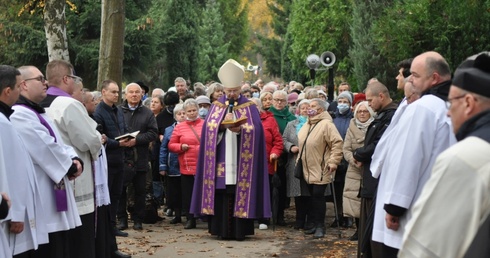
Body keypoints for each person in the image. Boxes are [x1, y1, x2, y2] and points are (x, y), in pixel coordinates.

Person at [398, 52, 490, 258]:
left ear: (468, 103)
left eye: (451, 102)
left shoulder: (466, 157)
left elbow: (427, 248)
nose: (448, 112)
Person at [370, 51, 456, 257]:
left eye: (415, 75)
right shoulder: (452, 106)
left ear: (434, 78)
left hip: (409, 214)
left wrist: (394, 206)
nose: (410, 79)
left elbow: (407, 159)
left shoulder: (423, 108)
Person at [190, 59, 271, 240]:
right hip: (220, 158)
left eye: (235, 90)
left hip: (242, 160)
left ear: (240, 88)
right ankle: (220, 229)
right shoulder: (217, 106)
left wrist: (242, 129)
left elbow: (257, 131)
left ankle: (240, 231)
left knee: (239, 192)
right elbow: (207, 129)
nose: (232, 94)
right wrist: (219, 126)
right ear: (224, 90)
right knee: (222, 193)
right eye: (228, 91)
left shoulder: (249, 107)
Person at [11, 65, 82, 258]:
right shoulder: (19, 113)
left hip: (54, 185)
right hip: (42, 192)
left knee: (61, 244)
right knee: (49, 247)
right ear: (24, 85)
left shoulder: (38, 112)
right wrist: (69, 166)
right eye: (40, 79)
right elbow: (45, 147)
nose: (46, 83)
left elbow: (58, 142)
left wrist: (74, 158)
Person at [40, 60, 103, 258]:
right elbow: (89, 140)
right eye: (74, 78)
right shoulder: (68, 104)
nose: (76, 83)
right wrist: (99, 142)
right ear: (66, 79)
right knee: (79, 238)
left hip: (49, 177)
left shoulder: (37, 105)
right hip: (76, 178)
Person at [0, 65, 49, 257]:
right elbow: (10, 170)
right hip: (7, 211)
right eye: (18, 87)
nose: (21, 91)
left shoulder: (6, 118)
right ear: (7, 91)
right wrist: (17, 214)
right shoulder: (3, 124)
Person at [353, 81, 398, 258]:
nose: (368, 104)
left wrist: (359, 153)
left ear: (381, 96)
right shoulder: (382, 115)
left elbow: (380, 144)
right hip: (370, 180)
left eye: (370, 100)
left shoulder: (391, 115)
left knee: (374, 230)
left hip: (378, 181)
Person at [298, 98, 343, 238]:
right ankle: (313, 224)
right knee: (311, 196)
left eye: (313, 106)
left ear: (321, 110)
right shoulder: (307, 123)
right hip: (307, 167)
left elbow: (337, 143)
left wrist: (334, 161)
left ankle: (320, 226)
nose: (309, 109)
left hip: (321, 167)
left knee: (318, 196)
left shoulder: (326, 124)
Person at [117, 83, 158, 231]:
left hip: (140, 157)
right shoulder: (118, 111)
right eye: (131, 92)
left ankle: (138, 219)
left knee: (140, 190)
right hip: (122, 157)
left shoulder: (147, 113)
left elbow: (153, 133)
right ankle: (121, 218)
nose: (134, 95)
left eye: (137, 92)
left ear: (142, 95)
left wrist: (137, 140)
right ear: (125, 94)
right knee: (121, 189)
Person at [93, 80, 130, 238]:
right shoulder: (98, 112)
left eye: (118, 92)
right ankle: (105, 226)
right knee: (106, 195)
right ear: (103, 92)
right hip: (106, 160)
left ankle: (112, 225)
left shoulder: (119, 110)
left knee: (116, 193)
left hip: (119, 158)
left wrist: (129, 136)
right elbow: (100, 137)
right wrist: (117, 143)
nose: (117, 95)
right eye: (113, 92)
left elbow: (123, 128)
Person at [168, 99, 204, 229]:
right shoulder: (179, 127)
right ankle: (190, 218)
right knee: (188, 194)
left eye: (194, 110)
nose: (192, 113)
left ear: (198, 110)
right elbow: (171, 145)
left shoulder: (205, 124)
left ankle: (204, 216)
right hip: (186, 165)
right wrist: (180, 146)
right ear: (185, 112)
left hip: (203, 165)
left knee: (203, 192)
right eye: (189, 111)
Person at [342, 101, 375, 242]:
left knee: (368, 200)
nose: (362, 113)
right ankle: (358, 230)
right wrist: (354, 160)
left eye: (365, 111)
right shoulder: (352, 127)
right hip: (354, 169)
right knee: (354, 200)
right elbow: (346, 148)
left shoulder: (375, 127)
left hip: (370, 168)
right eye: (359, 111)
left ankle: (370, 230)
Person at [250, 97, 283, 230]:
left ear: (259, 107)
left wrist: (274, 153)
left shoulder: (270, 120)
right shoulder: (243, 121)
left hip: (266, 163)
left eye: (254, 106)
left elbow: (278, 141)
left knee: (264, 190)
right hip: (247, 164)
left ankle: (263, 217)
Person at [282, 99, 312, 230]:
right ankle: (299, 220)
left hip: (311, 161)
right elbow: (283, 139)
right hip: (295, 160)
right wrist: (291, 146)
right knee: (298, 193)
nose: (305, 110)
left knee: (310, 191)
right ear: (299, 110)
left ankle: (311, 220)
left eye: (308, 108)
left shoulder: (317, 123)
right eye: (303, 108)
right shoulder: (291, 124)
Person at [268, 90, 296, 225]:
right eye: (276, 100)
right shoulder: (268, 115)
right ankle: (269, 214)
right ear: (272, 101)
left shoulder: (291, 118)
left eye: (282, 100)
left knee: (283, 187)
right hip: (272, 156)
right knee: (272, 186)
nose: (279, 103)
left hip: (288, 156)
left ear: (286, 102)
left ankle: (280, 215)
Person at [331, 90, 354, 228]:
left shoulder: (353, 119)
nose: (342, 104)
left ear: (350, 104)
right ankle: (338, 214)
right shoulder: (332, 119)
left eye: (345, 102)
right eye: (340, 101)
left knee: (349, 189)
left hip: (349, 159)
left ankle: (349, 216)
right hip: (336, 158)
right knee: (337, 189)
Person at [159, 104, 185, 224]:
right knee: (174, 192)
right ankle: (177, 214)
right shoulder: (169, 130)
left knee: (186, 190)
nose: (182, 116)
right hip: (173, 166)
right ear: (175, 116)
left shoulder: (192, 128)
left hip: (188, 165)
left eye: (184, 113)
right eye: (179, 114)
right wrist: (163, 165)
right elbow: (164, 148)